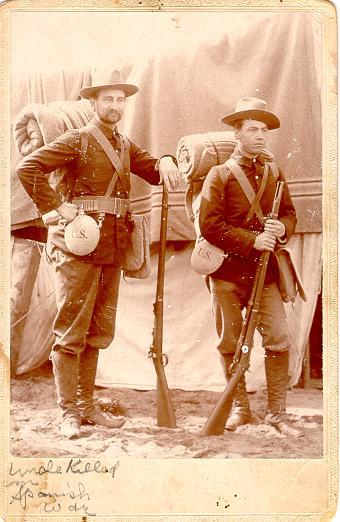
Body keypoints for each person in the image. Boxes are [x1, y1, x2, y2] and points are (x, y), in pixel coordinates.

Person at [16, 69, 181, 439]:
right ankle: (68, 414)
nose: (115, 105)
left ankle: (88, 408)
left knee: (98, 332)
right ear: (92, 102)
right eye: (107, 98)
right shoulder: (76, 140)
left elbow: (153, 170)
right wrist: (62, 208)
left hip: (111, 250)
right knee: (71, 332)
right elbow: (28, 168)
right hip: (77, 248)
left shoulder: (124, 145)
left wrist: (167, 159)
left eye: (120, 99)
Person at [199, 97, 300, 436]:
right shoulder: (220, 175)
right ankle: (240, 410)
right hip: (227, 273)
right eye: (253, 130)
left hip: (265, 273)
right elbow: (209, 225)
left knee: (279, 338)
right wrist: (251, 240)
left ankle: (276, 413)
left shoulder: (274, 172)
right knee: (231, 343)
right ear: (237, 136)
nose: (260, 136)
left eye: (263, 131)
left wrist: (281, 228)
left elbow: (289, 214)